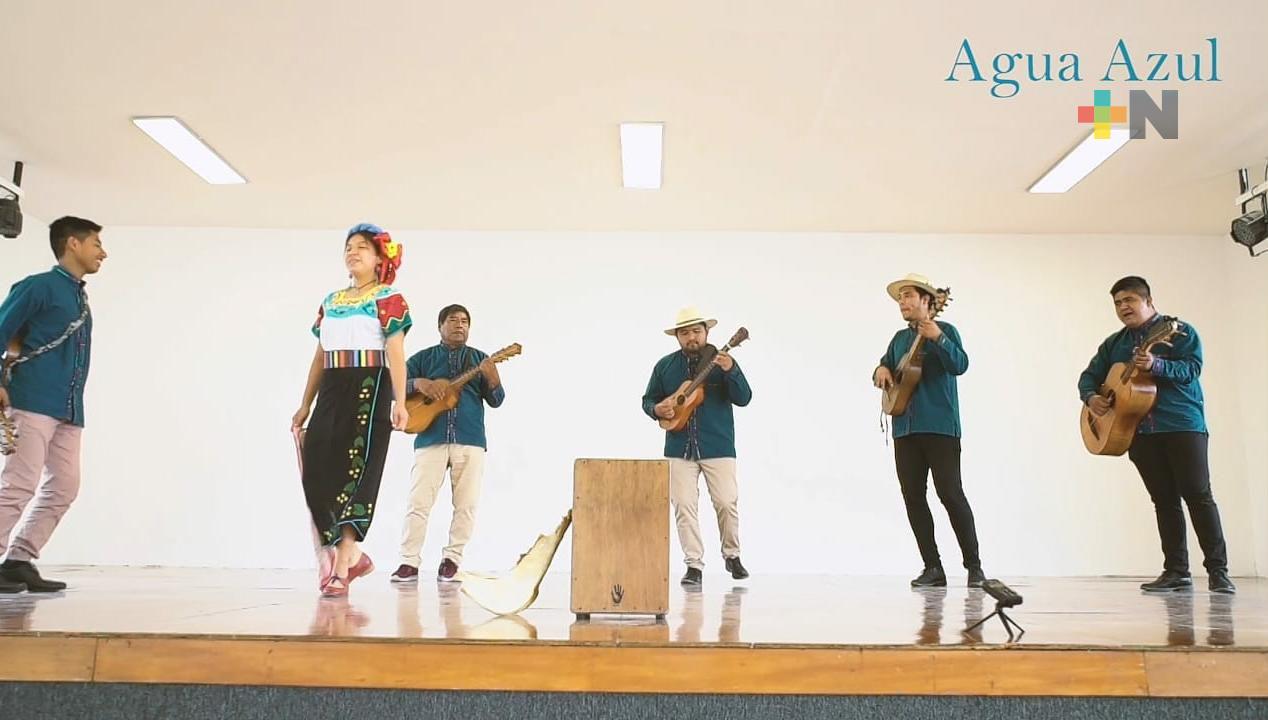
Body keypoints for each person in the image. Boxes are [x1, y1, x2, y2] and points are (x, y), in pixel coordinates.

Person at [1078, 275, 1234, 594]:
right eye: (1118, 303)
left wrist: (1157, 365)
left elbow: (1191, 369)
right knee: (1163, 500)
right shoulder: (1114, 343)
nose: (1123, 307)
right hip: (1138, 430)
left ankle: (1219, 572)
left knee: (1198, 495)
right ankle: (1176, 571)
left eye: (1129, 300)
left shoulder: (1180, 332)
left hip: (1182, 425)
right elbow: (1088, 377)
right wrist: (1091, 397)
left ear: (1149, 302)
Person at [292, 223, 412, 598]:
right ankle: (355, 555)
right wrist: (305, 403)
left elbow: (395, 354)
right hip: (332, 385)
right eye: (348, 247)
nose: (353, 252)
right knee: (316, 469)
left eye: (362, 247)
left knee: (356, 474)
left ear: (379, 258)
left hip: (369, 388)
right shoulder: (330, 301)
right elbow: (319, 355)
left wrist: (400, 402)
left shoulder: (390, 298)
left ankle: (342, 565)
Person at [0, 216, 106, 594]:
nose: (102, 253)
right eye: (95, 244)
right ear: (73, 244)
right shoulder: (38, 287)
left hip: (68, 408)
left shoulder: (80, 296)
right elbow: (1, 328)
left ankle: (18, 560)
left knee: (64, 486)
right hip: (31, 400)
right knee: (19, 484)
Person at [873, 273, 985, 588]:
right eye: (900, 298)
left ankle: (974, 567)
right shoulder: (898, 339)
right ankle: (932, 567)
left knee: (950, 493)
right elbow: (884, 366)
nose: (902, 303)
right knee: (913, 497)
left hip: (940, 427)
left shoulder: (946, 331)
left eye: (908, 296)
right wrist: (880, 370)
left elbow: (960, 365)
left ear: (927, 301)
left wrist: (938, 338)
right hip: (904, 429)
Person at [391, 304, 505, 583]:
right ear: (440, 326)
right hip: (430, 438)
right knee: (418, 502)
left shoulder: (480, 359)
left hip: (470, 439)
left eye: (465, 321)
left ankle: (452, 560)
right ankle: (408, 562)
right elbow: (393, 387)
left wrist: (493, 377)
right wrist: (419, 384)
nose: (459, 325)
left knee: (466, 505)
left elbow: (497, 400)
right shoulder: (424, 359)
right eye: (453, 320)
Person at [642, 306, 752, 586]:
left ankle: (732, 555)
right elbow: (648, 399)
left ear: (706, 332)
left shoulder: (722, 362)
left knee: (727, 502)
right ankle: (694, 565)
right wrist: (658, 409)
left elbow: (744, 398)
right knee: (683, 506)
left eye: (696, 331)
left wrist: (733, 371)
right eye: (685, 332)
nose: (692, 337)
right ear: (677, 337)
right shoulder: (665, 366)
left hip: (718, 445)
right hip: (679, 447)